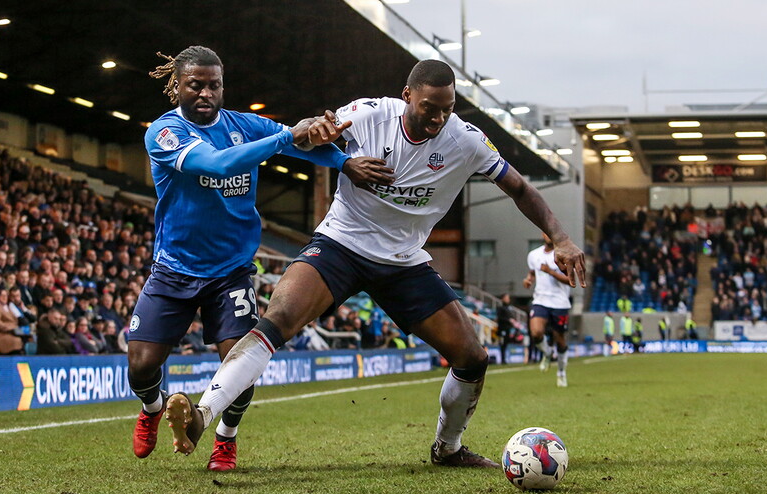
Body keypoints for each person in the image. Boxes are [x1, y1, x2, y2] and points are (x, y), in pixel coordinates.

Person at [163, 59, 585, 469]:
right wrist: (315, 131)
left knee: (472, 357)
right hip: (341, 244)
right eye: (429, 108)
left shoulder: (467, 141)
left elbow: (520, 188)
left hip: (404, 262)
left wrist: (562, 238)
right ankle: (203, 414)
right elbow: (311, 134)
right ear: (407, 96)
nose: (438, 118)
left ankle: (448, 448)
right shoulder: (369, 114)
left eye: (447, 109)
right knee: (278, 319)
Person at [127, 46, 392, 471]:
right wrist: (288, 136)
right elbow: (216, 164)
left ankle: (225, 438)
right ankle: (153, 407)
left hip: (230, 273)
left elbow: (304, 145)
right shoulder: (164, 133)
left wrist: (343, 161)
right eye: (196, 85)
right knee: (140, 366)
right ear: (177, 85)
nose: (206, 93)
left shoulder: (244, 125)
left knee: (240, 362)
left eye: (214, 85)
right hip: (174, 268)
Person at [523, 231, 573, 387]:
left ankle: (561, 372)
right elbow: (533, 272)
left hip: (560, 302)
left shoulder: (564, 255)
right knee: (536, 332)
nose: (549, 236)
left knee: (560, 339)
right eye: (546, 233)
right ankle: (547, 352)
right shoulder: (533, 255)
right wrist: (529, 280)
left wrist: (550, 271)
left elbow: (571, 280)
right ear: (542, 235)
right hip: (540, 300)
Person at [496, 293, 513, 364]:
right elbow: (500, 318)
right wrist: (508, 320)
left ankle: (504, 359)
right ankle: (502, 359)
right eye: (506, 298)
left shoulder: (509, 308)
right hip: (502, 329)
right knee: (502, 344)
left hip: (507, 329)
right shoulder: (500, 308)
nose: (508, 299)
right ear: (502, 299)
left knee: (505, 344)